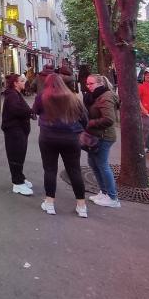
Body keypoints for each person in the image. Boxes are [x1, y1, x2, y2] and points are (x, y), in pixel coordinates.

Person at [33, 73, 89, 217]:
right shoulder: (73, 97)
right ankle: (81, 206)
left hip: (48, 137)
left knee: (50, 169)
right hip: (70, 138)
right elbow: (84, 119)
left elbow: (36, 111)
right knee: (74, 170)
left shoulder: (42, 96)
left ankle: (50, 203)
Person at [84, 74, 120, 208]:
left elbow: (109, 119)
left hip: (104, 136)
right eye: (87, 84)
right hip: (95, 136)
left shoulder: (106, 97)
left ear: (100, 83)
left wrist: (90, 123)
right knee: (93, 163)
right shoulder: (96, 96)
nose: (88, 86)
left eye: (91, 83)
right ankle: (104, 192)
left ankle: (112, 197)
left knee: (102, 165)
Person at [1, 73, 34, 195]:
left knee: (19, 155)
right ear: (15, 83)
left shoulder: (14, 94)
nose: (24, 82)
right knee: (16, 156)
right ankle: (17, 183)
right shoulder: (12, 96)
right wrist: (30, 111)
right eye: (22, 81)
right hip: (14, 132)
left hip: (18, 131)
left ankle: (20, 177)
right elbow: (18, 110)